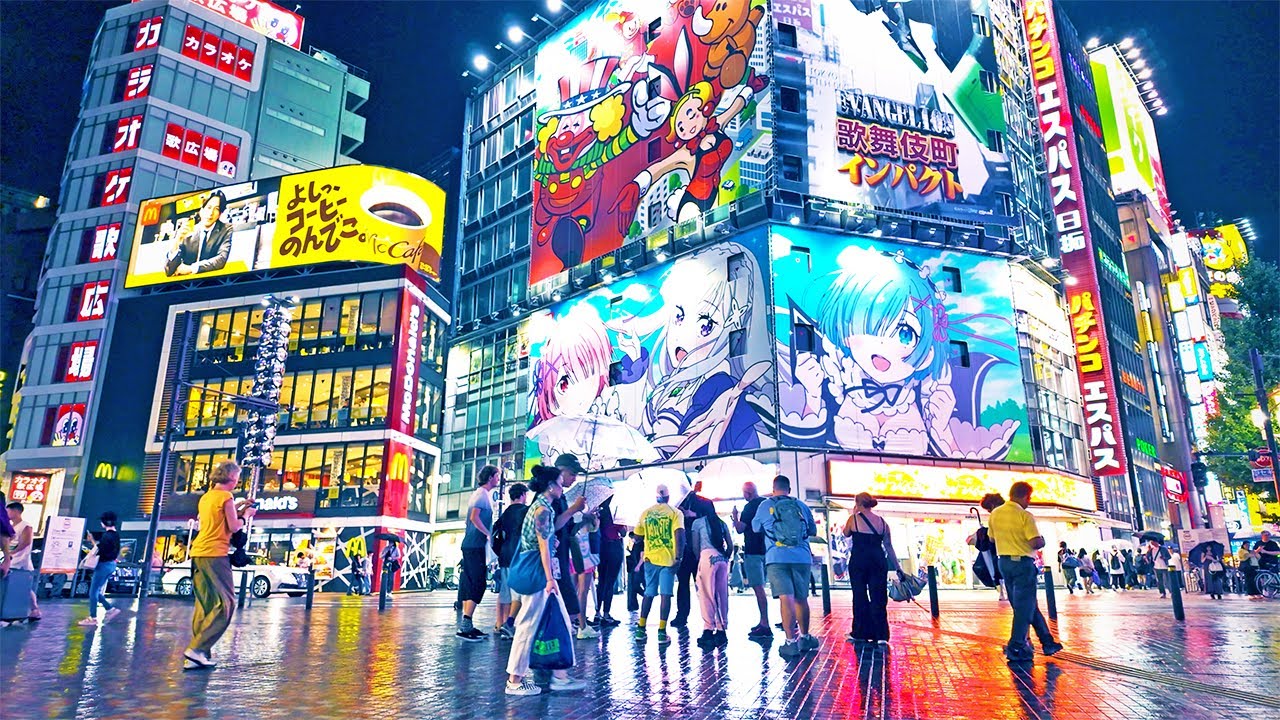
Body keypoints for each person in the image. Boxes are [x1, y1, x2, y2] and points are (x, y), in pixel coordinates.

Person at [505, 466, 588, 697]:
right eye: (561, 483)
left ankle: (560, 676)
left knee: (560, 618)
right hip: (538, 574)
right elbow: (542, 546)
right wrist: (550, 579)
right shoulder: (542, 509)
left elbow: (552, 533)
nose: (564, 487)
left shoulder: (543, 507)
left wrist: (573, 510)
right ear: (551, 486)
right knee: (528, 625)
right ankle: (515, 680)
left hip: (538, 573)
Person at [184, 461, 254, 668]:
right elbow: (233, 526)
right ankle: (196, 649)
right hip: (216, 554)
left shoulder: (207, 497)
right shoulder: (226, 497)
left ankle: (197, 655)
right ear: (232, 478)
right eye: (237, 479)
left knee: (204, 605)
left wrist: (239, 507)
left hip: (198, 553)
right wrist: (246, 516)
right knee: (226, 604)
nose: (237, 483)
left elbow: (217, 520)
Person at [988, 481, 1062, 663]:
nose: (1029, 502)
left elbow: (991, 538)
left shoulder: (995, 513)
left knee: (1026, 605)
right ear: (1023, 496)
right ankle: (1016, 645)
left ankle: (1048, 642)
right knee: (1023, 608)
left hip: (1003, 563)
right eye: (1028, 498)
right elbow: (1034, 542)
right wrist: (1042, 540)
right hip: (1023, 563)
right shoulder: (1024, 515)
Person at [751, 475, 819, 658]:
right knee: (801, 598)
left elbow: (756, 528)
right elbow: (812, 530)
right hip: (802, 557)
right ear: (789, 489)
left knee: (785, 598)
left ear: (773, 489)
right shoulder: (801, 506)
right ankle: (805, 637)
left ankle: (790, 643)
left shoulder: (765, 505)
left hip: (776, 557)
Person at [842, 492, 905, 647]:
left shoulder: (853, 519)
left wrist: (853, 513)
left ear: (857, 503)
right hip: (878, 561)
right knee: (878, 596)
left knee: (859, 596)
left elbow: (846, 533)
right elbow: (889, 546)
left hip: (859, 561)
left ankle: (860, 632)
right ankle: (881, 634)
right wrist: (898, 567)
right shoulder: (882, 522)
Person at [633, 484, 684, 645]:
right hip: (668, 561)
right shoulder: (675, 513)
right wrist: (678, 557)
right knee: (665, 595)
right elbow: (680, 534)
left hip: (650, 559)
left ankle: (641, 628)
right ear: (669, 497)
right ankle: (662, 632)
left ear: (656, 497)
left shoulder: (646, 513)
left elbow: (637, 536)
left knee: (649, 593)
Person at [458, 465, 500, 641]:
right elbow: (474, 517)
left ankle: (466, 625)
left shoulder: (482, 495)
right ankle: (466, 624)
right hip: (474, 545)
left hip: (472, 545)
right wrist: (488, 533)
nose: (499, 479)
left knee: (473, 582)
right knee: (478, 583)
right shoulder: (481, 495)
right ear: (490, 477)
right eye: (497, 476)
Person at [552, 455, 588, 632]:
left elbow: (567, 527)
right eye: (572, 474)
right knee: (567, 602)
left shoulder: (562, 496)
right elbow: (553, 525)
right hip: (553, 559)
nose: (574, 478)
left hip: (563, 556)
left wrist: (585, 518)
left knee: (569, 603)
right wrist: (574, 509)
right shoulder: (550, 496)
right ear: (560, 471)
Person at [671, 490, 716, 629]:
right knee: (683, 584)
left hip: (701, 549)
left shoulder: (704, 502)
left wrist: (693, 515)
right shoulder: (675, 505)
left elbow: (713, 521)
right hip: (684, 549)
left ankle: (710, 617)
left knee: (704, 585)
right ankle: (682, 615)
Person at [689, 500, 732, 648]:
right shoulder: (721, 523)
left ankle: (708, 629)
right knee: (721, 594)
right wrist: (725, 556)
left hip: (707, 557)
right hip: (722, 558)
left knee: (706, 595)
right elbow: (730, 545)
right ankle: (721, 629)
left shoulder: (698, 523)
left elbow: (695, 545)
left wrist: (698, 560)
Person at [731, 481, 771, 637]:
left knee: (758, 588)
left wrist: (735, 517)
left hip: (753, 551)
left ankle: (764, 623)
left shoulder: (749, 507)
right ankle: (789, 619)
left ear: (747, 492)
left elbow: (741, 529)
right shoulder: (766, 503)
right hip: (769, 550)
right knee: (780, 589)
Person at [164, 190, 233, 276]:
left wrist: (191, 269)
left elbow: (221, 260)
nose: (211, 213)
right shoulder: (189, 230)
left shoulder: (226, 229)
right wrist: (177, 240)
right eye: (208, 207)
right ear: (201, 211)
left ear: (220, 214)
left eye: (216, 209)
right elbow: (169, 271)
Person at [493, 483, 530, 638]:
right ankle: (509, 626)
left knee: (504, 593)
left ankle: (499, 624)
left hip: (504, 555)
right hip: (518, 555)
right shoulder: (525, 511)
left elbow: (495, 533)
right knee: (516, 595)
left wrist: (499, 551)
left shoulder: (505, 513)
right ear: (522, 494)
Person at [78, 511, 123, 628]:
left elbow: (99, 550)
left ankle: (93, 617)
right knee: (96, 591)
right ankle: (110, 609)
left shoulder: (106, 536)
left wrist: (92, 540)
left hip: (103, 565)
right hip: (111, 565)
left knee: (93, 592)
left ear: (104, 522)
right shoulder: (116, 535)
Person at [4, 502, 40, 620]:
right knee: (22, 587)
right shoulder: (11, 527)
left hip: (20, 561)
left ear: (16, 511)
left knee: (25, 587)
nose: (6, 513)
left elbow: (26, 542)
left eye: (8, 511)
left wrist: (11, 553)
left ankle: (34, 609)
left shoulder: (25, 526)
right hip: (11, 560)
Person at [594, 497, 625, 627]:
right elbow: (622, 532)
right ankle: (606, 614)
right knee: (610, 582)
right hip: (614, 547)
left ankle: (597, 613)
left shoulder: (598, 513)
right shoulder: (615, 513)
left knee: (601, 581)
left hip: (601, 548)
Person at [968, 492, 1005, 600]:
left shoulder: (997, 515)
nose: (989, 512)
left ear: (992, 505)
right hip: (1008, 553)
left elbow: (992, 538)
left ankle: (1003, 593)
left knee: (998, 572)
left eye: (989, 509)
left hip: (1001, 552)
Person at [570, 508, 600, 639]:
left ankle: (570, 623)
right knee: (583, 592)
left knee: (572, 590)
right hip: (586, 557)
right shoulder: (587, 517)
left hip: (572, 554)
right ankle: (582, 626)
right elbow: (594, 530)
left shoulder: (572, 512)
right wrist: (595, 519)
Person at [626, 532, 645, 619]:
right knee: (635, 586)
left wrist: (638, 566)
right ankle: (645, 597)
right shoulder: (636, 544)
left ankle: (646, 596)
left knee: (635, 586)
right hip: (636, 567)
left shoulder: (641, 544)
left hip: (639, 568)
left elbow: (642, 556)